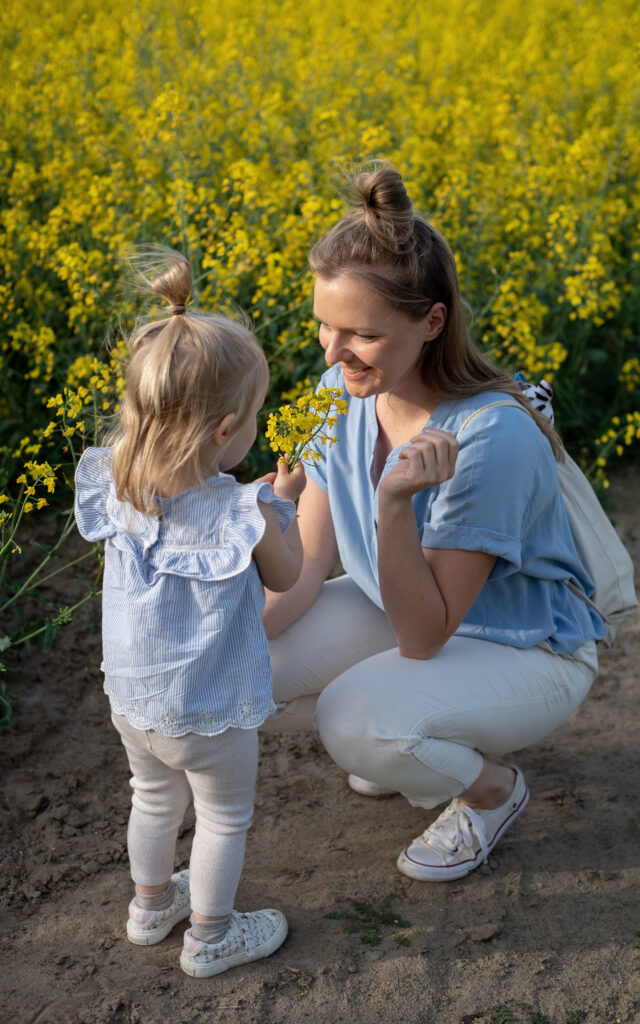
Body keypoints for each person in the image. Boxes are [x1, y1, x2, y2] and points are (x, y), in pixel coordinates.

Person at [262, 165, 606, 882]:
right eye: (325, 326)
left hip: (522, 644)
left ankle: (490, 791)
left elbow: (425, 636)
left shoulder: (489, 437)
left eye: (362, 334)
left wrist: (393, 505)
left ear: (432, 323)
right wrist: (225, 639)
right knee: (241, 673)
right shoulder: (338, 391)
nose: (332, 353)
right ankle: (412, 732)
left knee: (355, 722)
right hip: (405, 605)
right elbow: (312, 562)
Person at [74, 249, 305, 976]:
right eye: (253, 418)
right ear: (225, 429)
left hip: (134, 702)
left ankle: (150, 907)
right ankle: (211, 937)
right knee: (224, 817)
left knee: (152, 797)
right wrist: (285, 507)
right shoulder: (242, 510)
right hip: (212, 710)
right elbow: (288, 576)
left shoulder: (115, 483)